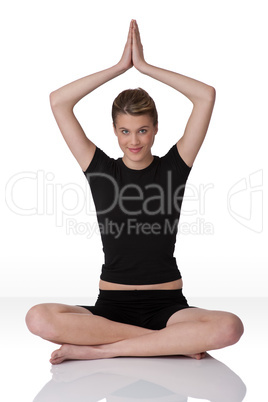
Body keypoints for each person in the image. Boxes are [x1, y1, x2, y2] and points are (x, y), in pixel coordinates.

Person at [25, 20, 244, 365]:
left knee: (230, 327)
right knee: (37, 317)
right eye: (125, 131)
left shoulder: (174, 167)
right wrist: (118, 68)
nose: (134, 140)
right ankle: (167, 344)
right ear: (114, 130)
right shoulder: (100, 169)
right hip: (110, 308)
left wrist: (144, 67)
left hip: (169, 307)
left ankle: (100, 351)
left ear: (156, 128)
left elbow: (206, 96)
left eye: (143, 130)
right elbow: (58, 102)